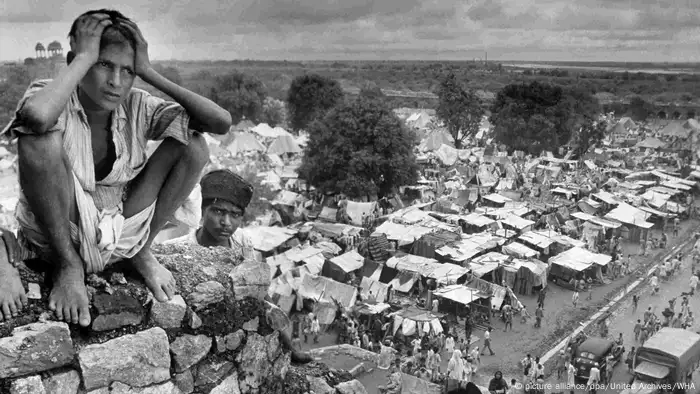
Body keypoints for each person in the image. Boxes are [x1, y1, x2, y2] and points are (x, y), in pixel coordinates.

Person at [0, 9, 232, 326]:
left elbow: (220, 122)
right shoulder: (50, 95)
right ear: (76, 62)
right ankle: (69, 266)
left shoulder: (137, 104)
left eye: (127, 71)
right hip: (57, 232)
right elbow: (37, 118)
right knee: (38, 138)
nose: (116, 82)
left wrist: (148, 71)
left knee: (193, 144)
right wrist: (82, 60)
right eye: (104, 65)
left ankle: (141, 251)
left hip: (122, 230)